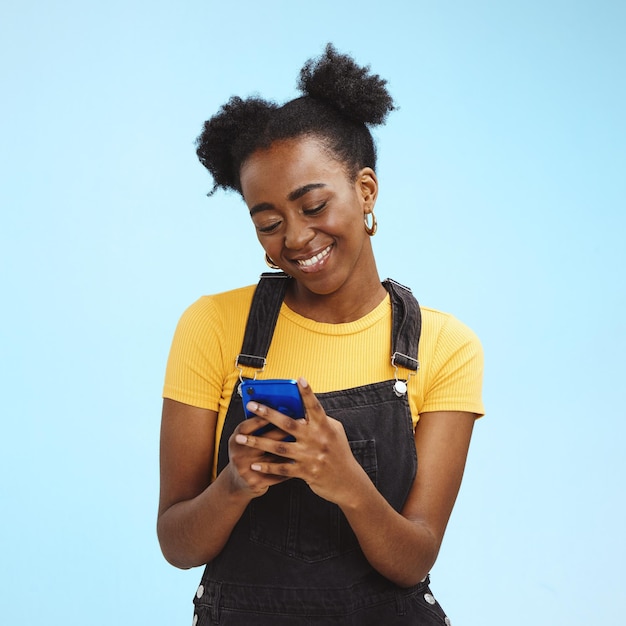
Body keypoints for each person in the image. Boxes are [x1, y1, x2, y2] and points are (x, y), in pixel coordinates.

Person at [158, 44, 484, 625]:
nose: (298, 238)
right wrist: (235, 483)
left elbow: (413, 560)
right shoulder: (212, 327)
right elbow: (177, 544)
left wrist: (345, 479)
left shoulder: (444, 346)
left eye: (313, 205)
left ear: (365, 191)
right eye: (269, 223)